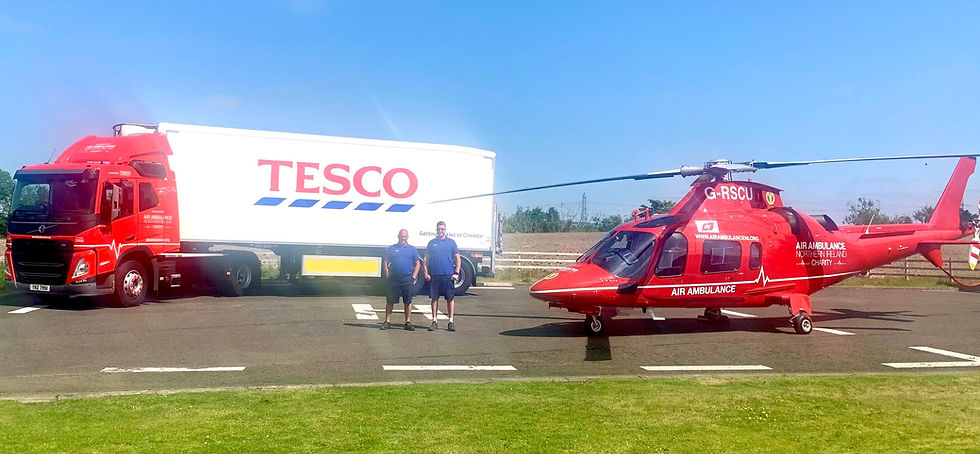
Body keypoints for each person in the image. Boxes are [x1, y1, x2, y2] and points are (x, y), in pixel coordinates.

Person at [424, 221, 461, 331]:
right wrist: (426, 273)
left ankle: (451, 321)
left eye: (442, 229)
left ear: (445, 230)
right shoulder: (431, 243)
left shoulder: (451, 243)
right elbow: (426, 259)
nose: (440, 231)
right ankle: (434, 321)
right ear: (436, 230)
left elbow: (458, 258)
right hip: (435, 275)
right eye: (439, 229)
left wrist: (456, 273)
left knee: (450, 299)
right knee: (434, 299)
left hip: (448, 275)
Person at [381, 229, 420, 331]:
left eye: (405, 236)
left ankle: (407, 322)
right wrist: (388, 275)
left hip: (407, 278)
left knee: (408, 301)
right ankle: (387, 322)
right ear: (398, 236)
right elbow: (385, 261)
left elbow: (417, 263)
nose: (403, 238)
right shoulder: (392, 248)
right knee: (390, 301)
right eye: (402, 236)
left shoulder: (412, 249)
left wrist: (414, 276)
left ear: (408, 237)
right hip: (394, 278)